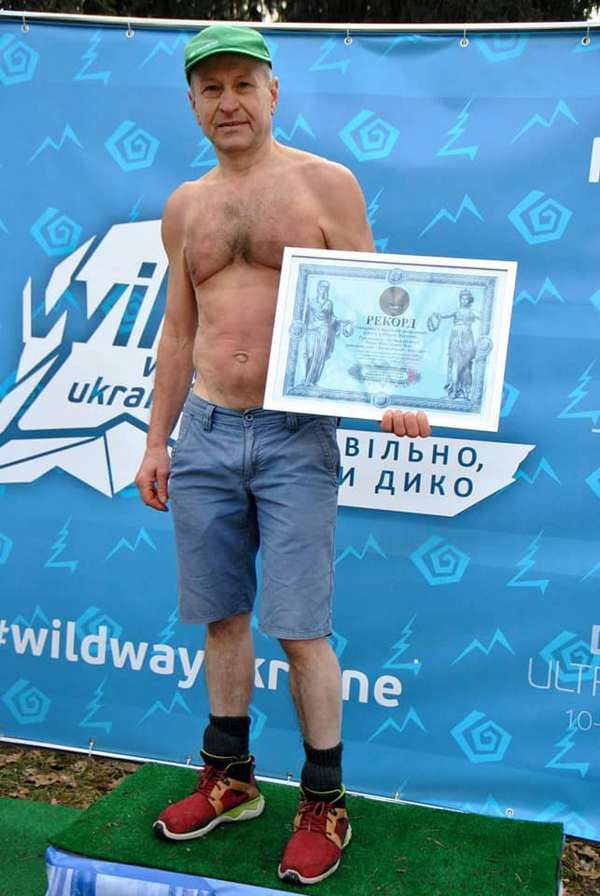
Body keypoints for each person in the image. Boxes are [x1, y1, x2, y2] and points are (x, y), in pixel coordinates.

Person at [135, 23, 431, 886]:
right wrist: (157, 440)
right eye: (210, 88)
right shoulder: (185, 206)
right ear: (192, 103)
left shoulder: (324, 185)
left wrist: (397, 392)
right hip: (206, 431)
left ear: (273, 92)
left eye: (243, 84)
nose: (227, 101)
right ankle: (229, 779)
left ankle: (323, 801)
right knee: (221, 616)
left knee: (300, 629)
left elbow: (381, 304)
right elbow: (178, 329)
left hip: (295, 437)